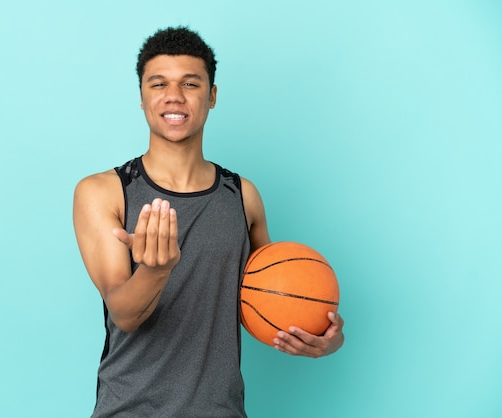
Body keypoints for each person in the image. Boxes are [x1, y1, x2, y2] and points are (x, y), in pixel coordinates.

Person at [73, 26, 345, 417]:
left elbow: (270, 298)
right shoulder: (104, 192)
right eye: (158, 83)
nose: (173, 96)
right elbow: (125, 314)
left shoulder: (242, 196)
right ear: (142, 97)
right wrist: (155, 270)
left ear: (212, 96)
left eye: (190, 83)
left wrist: (324, 335)